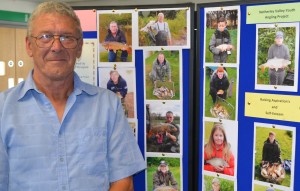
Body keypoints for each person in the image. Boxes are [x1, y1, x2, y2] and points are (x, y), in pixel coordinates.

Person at [0, 2, 145, 191]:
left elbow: (123, 182)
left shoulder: (108, 106)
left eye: (67, 37)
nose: (56, 47)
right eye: (45, 37)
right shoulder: (3, 110)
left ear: (79, 47)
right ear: (29, 45)